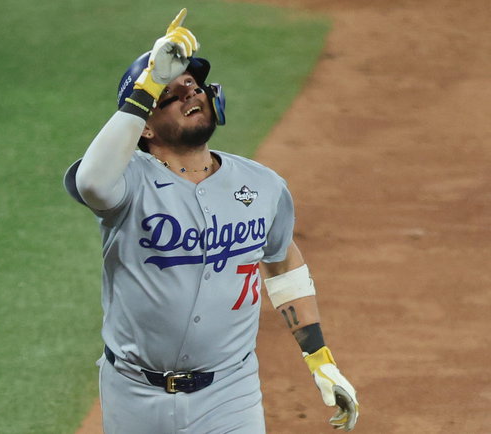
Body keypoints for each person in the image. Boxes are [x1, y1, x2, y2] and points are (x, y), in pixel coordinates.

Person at [64, 8, 359, 433]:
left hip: (230, 395)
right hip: (133, 396)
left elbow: (283, 264)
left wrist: (320, 359)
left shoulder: (263, 185)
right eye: (170, 94)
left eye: (193, 85)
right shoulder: (127, 182)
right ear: (145, 126)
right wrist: (147, 84)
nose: (189, 93)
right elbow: (91, 182)